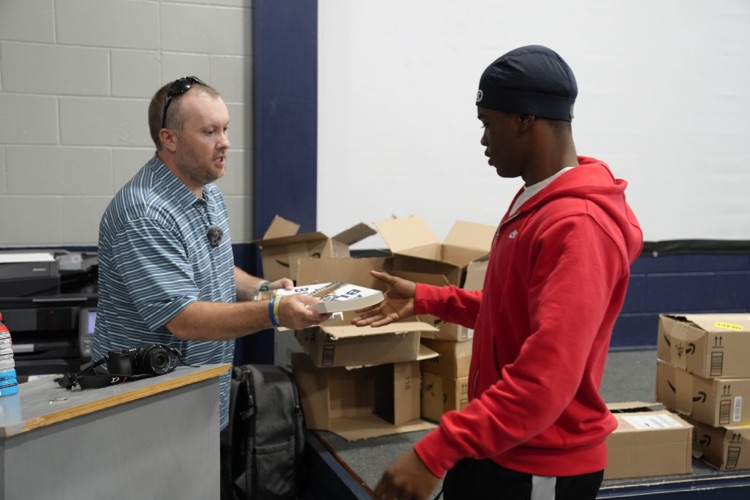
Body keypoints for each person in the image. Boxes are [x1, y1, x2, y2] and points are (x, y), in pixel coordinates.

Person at [353, 45, 643, 500]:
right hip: (499, 445)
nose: (484, 141)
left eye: (488, 124)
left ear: (525, 120)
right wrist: (431, 299)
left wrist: (436, 450)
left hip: (539, 464)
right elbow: (516, 314)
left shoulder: (579, 226)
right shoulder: (535, 201)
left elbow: (547, 376)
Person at [93, 76, 329, 496]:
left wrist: (263, 290)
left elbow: (212, 271)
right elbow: (183, 319)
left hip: (201, 401)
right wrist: (275, 313)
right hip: (148, 415)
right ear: (169, 138)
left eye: (225, 128)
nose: (225, 143)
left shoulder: (205, 192)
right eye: (209, 131)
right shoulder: (145, 212)